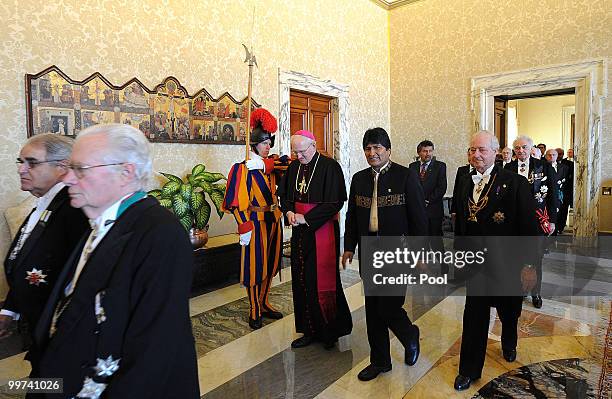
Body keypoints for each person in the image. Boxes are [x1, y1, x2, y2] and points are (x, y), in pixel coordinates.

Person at [33, 124, 199, 398]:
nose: (67, 179)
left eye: (81, 169)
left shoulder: (160, 232)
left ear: (126, 172)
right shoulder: (94, 221)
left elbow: (155, 347)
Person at [453, 131, 538, 391]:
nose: (475, 154)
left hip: (508, 265)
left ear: (496, 152)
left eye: (481, 150)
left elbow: (529, 228)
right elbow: (461, 226)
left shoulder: (516, 183)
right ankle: (468, 369)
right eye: (471, 150)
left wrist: (529, 266)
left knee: (509, 311)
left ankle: (509, 341)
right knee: (474, 316)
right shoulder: (464, 181)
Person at [342, 128, 427, 381]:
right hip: (369, 253)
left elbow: (419, 219)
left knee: (389, 307)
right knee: (372, 309)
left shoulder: (406, 176)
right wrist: (348, 247)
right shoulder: (359, 179)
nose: (372, 153)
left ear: (388, 150)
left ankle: (409, 334)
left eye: (377, 147)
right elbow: (352, 217)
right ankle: (380, 361)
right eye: (368, 148)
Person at [0, 134, 88, 374]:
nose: (21, 169)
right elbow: (25, 259)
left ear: (62, 167)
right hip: (37, 326)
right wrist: (10, 309)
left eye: (32, 162)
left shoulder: (74, 208)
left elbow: (77, 275)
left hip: (60, 333)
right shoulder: (46, 202)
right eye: (20, 161)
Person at [278, 130, 352, 350]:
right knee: (302, 280)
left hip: (322, 231)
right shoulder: (293, 167)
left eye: (301, 151)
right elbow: (284, 196)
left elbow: (335, 202)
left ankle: (329, 331)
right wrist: (289, 212)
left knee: (321, 280)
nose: (298, 156)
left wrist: (306, 218)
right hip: (300, 233)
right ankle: (308, 330)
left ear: (314, 145)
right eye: (295, 152)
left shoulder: (330, 167)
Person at [223, 108, 283, 330]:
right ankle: (254, 307)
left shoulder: (271, 164)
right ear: (255, 144)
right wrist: (244, 225)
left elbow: (289, 164)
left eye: (270, 142)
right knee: (255, 267)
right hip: (255, 224)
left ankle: (265, 302)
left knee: (271, 264)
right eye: (265, 142)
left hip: (273, 221)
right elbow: (233, 201)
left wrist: (265, 164)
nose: (268, 146)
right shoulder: (241, 169)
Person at [505, 135, 558, 308]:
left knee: (536, 258)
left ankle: (536, 292)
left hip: (538, 221)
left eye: (524, 147)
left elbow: (554, 196)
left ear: (531, 148)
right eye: (517, 148)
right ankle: (520, 289)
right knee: (517, 257)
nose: (521, 151)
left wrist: (553, 221)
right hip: (515, 223)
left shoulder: (544, 167)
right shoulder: (508, 168)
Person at [408, 140, 447, 271]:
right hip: (418, 211)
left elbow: (442, 188)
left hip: (433, 210)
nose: (428, 153)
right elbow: (411, 187)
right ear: (419, 152)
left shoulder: (440, 166)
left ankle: (443, 265)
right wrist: (418, 202)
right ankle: (421, 267)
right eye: (425, 151)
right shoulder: (412, 167)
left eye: (430, 150)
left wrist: (427, 200)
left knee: (435, 240)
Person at [545, 149, 570, 235]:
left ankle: (558, 229)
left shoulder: (565, 168)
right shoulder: (542, 167)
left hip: (560, 195)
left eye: (553, 155)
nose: (551, 156)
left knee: (560, 213)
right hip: (547, 195)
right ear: (545, 156)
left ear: (557, 156)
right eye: (549, 155)